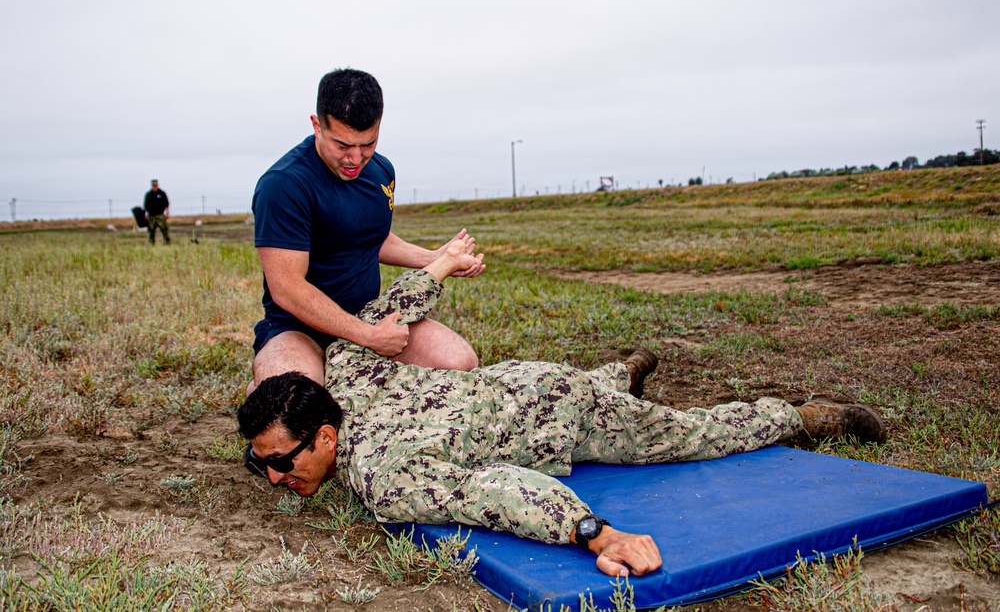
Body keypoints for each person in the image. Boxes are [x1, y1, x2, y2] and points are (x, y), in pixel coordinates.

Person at [238, 238, 888, 577]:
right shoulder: (348, 363)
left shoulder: (384, 471)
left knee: (690, 435)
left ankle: (806, 416)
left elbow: (498, 491)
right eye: (261, 462)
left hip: (563, 415)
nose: (274, 476)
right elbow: (395, 309)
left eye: (280, 461)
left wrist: (593, 534)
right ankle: (619, 373)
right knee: (588, 387)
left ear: (324, 435)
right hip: (521, 381)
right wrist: (437, 269)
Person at [250, 69, 485, 393]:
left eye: (368, 143)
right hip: (298, 330)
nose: (355, 159)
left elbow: (371, 239)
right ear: (317, 126)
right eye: (343, 145)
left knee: (459, 364)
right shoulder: (284, 185)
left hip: (372, 316)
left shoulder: (381, 171)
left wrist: (434, 257)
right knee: (294, 404)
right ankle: (266, 388)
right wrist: (365, 336)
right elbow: (287, 288)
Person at [143, 179, 170, 245]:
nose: (154, 186)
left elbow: (166, 204)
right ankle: (152, 244)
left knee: (164, 230)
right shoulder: (148, 194)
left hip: (160, 215)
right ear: (151, 185)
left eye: (155, 185)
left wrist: (167, 213)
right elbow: (145, 206)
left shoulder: (162, 193)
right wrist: (145, 214)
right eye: (153, 185)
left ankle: (167, 243)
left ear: (157, 185)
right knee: (151, 231)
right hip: (151, 216)